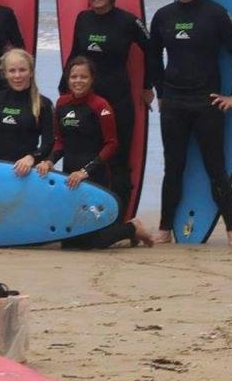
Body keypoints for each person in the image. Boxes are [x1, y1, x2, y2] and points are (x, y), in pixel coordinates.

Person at [147, 0, 232, 248]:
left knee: (215, 167)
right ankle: (165, 229)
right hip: (175, 104)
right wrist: (161, 94)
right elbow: (153, 58)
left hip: (207, 103)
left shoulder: (216, 14)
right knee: (173, 167)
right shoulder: (163, 16)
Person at [60, 0, 153, 209]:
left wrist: (148, 86)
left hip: (118, 102)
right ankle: (86, 213)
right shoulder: (83, 19)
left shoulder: (129, 21)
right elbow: (74, 55)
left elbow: (152, 51)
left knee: (119, 160)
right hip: (87, 103)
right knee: (88, 158)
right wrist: (64, 91)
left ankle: (121, 218)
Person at [39, 57, 154, 248]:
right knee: (69, 244)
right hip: (70, 177)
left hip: (95, 177)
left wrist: (85, 171)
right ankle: (125, 229)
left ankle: (132, 228)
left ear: (92, 79)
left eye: (83, 77)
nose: (78, 81)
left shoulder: (100, 106)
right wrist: (49, 161)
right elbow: (60, 141)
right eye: (74, 76)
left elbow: (111, 144)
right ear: (67, 79)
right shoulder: (61, 104)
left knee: (90, 243)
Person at [0, 48, 54, 176]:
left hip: (25, 172)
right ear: (5, 73)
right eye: (12, 71)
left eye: (22, 70)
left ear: (31, 72)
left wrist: (32, 157)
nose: (17, 75)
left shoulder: (43, 103)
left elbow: (48, 143)